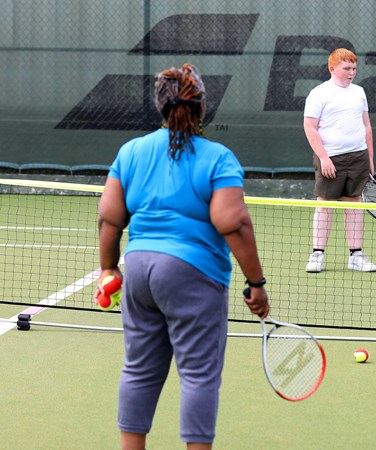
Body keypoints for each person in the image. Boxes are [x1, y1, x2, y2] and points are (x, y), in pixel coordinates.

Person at [97, 63, 270, 450]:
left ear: (160, 106)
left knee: (139, 371)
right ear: (202, 107)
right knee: (198, 377)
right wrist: (256, 284)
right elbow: (233, 222)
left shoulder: (131, 151)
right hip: (192, 274)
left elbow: (109, 217)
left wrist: (109, 267)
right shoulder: (218, 157)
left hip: (139, 270)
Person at [303, 48, 376, 273]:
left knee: (354, 206)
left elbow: (366, 126)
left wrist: (370, 160)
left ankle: (356, 256)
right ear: (332, 68)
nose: (351, 72)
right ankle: (317, 254)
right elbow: (310, 127)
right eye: (347, 68)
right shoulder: (319, 93)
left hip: (359, 157)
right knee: (324, 206)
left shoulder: (359, 92)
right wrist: (324, 158)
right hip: (330, 159)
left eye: (354, 68)